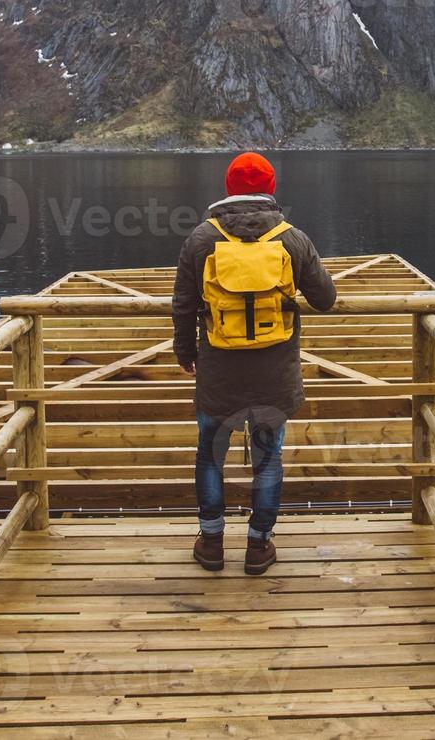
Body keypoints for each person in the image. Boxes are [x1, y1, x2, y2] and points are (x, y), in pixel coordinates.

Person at [172, 152, 336, 574]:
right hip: (274, 378)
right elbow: (326, 299)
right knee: (268, 458)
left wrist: (186, 354)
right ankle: (259, 546)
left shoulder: (200, 239)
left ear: (229, 189)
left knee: (210, 454)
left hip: (218, 375)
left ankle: (211, 543)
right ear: (270, 188)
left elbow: (184, 306)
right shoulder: (292, 238)